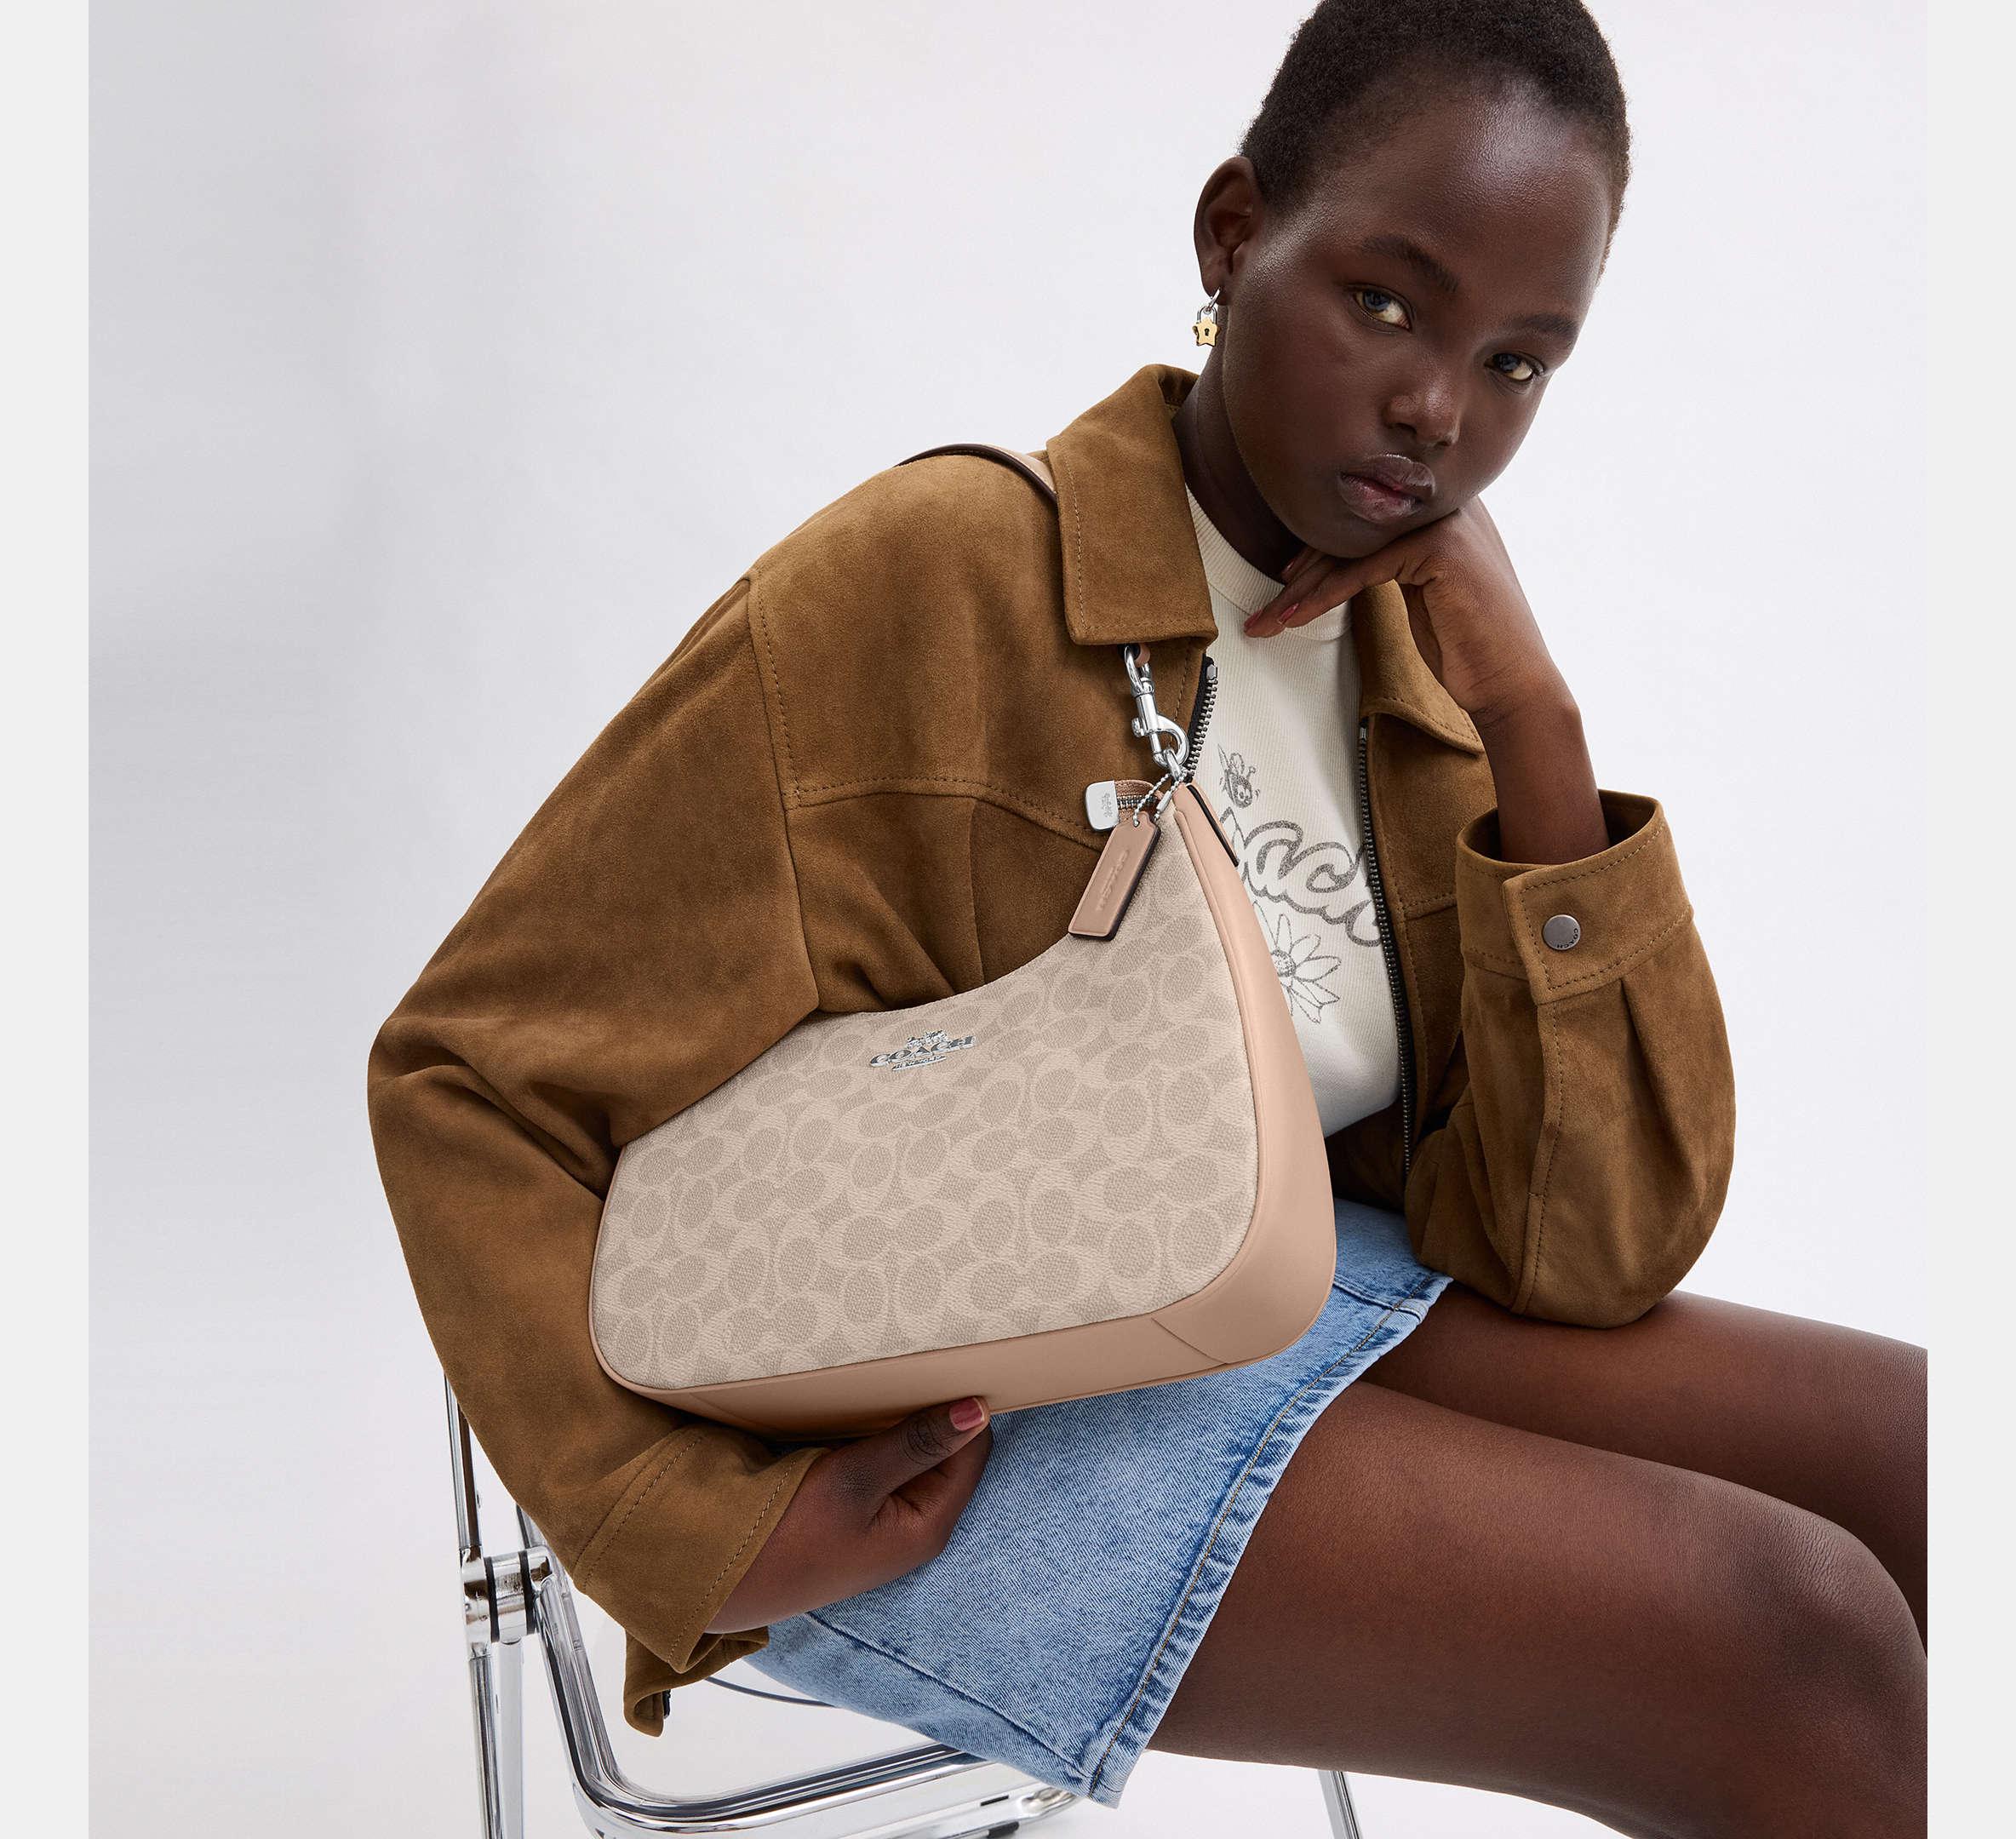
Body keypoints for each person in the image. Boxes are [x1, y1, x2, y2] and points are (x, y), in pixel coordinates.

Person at [366, 3, 1925, 1832]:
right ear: (1232, 234)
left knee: (1927, 1469)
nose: (1438, 410)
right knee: (1786, 1639)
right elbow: (461, 1077)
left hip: (1276, 1291)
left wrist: (1534, 731)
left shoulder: (1419, 672)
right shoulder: (940, 579)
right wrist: (691, 1523)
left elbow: (1584, 1257)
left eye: (1516, 360)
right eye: (1387, 302)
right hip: (935, 1403)